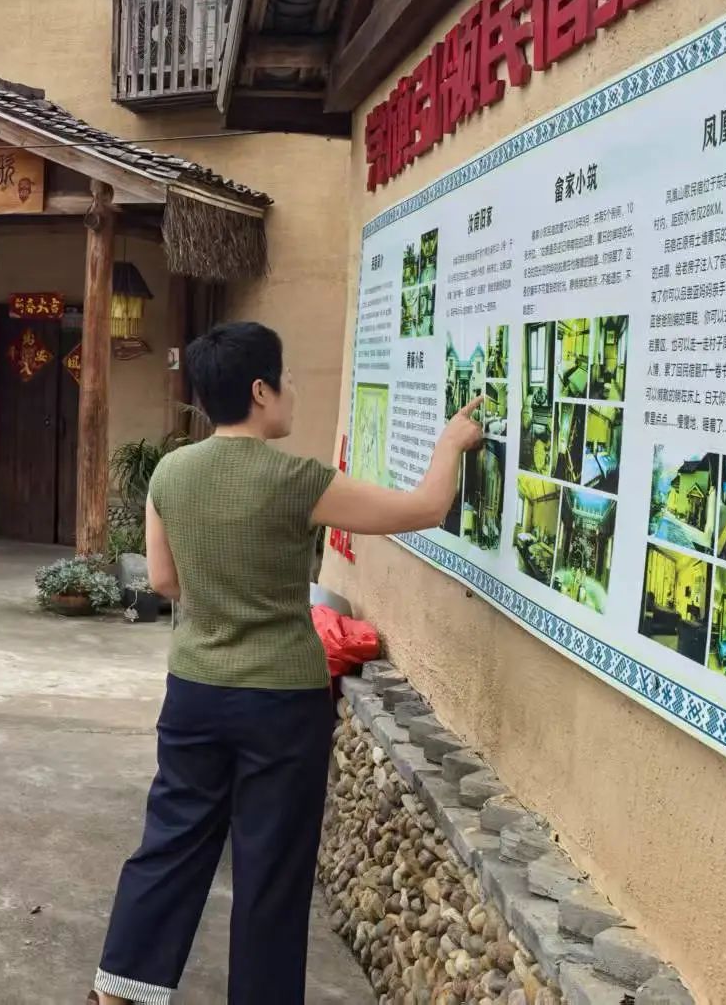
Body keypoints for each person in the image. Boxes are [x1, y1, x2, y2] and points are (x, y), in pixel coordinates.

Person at [88, 321, 483, 1005]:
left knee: (172, 841)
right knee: (271, 867)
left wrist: (219, 597)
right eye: (287, 377)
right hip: (281, 702)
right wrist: (451, 443)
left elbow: (163, 580)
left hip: (194, 691)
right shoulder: (298, 480)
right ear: (260, 390)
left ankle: (121, 989)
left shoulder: (171, 473)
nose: (293, 389)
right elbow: (425, 508)